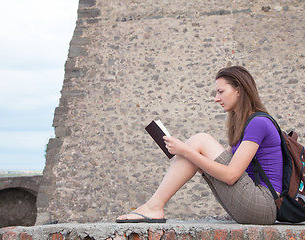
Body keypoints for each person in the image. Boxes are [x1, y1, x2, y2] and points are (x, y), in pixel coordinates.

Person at [116, 66, 283, 224]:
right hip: (254, 204)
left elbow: (231, 175)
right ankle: (153, 206)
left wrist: (186, 151)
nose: (217, 98)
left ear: (238, 89)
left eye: (221, 91)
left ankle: (154, 207)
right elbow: (221, 164)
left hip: (264, 204)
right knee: (197, 149)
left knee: (200, 141)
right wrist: (190, 153)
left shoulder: (258, 123)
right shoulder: (243, 124)